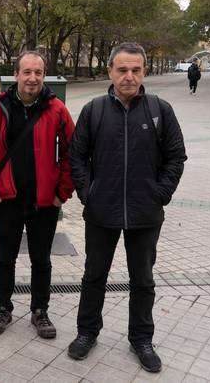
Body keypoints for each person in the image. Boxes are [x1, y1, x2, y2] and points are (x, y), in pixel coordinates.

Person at [67, 42, 187, 373]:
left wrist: (160, 193)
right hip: (101, 211)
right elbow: (76, 156)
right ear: (110, 72)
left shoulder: (159, 110)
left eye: (135, 70)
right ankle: (87, 332)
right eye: (122, 70)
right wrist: (87, 191)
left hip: (145, 213)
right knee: (94, 276)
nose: (129, 76)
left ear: (143, 72)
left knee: (143, 280)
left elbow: (176, 156)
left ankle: (141, 339)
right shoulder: (94, 110)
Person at [0, 51, 75, 338]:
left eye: (38, 72)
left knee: (41, 259)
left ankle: (40, 310)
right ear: (17, 74)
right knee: (5, 257)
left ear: (43, 76)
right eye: (27, 72)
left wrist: (62, 193)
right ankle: (3, 307)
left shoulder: (57, 109)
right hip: (6, 199)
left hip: (43, 201)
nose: (32, 78)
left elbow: (73, 153)